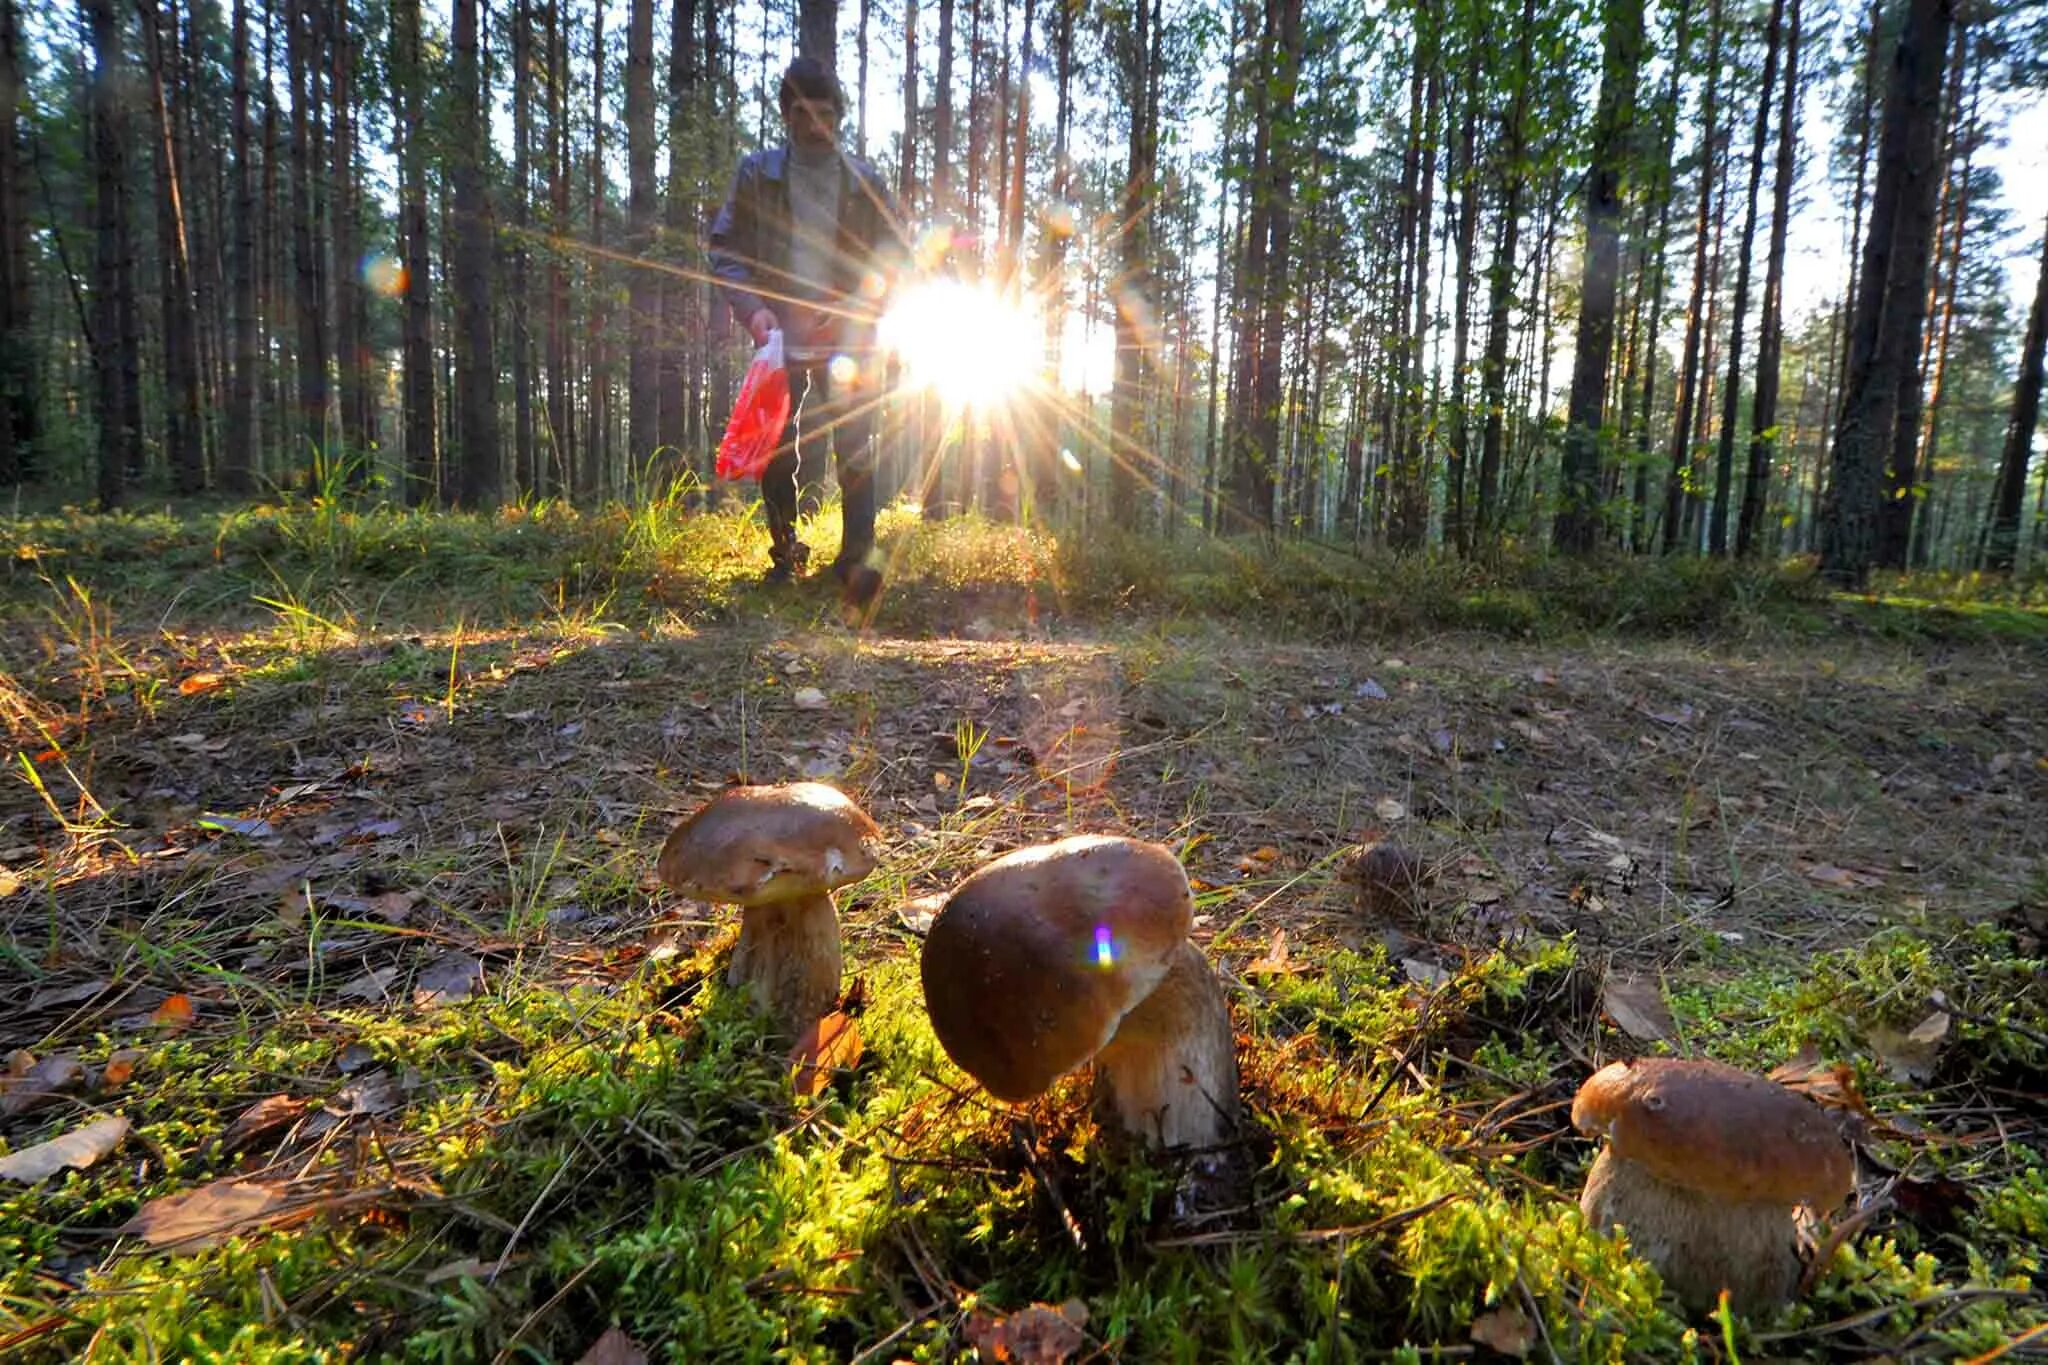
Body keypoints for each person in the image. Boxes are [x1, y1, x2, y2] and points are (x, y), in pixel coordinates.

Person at [708, 57, 900, 604]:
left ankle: (857, 563)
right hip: (779, 338)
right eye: (800, 111)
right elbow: (725, 249)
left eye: (823, 112)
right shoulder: (757, 173)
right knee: (776, 447)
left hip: (850, 337)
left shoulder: (867, 182)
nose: (812, 122)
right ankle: (785, 551)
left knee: (856, 446)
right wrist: (754, 311)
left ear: (839, 116)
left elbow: (896, 258)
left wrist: (858, 306)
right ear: (785, 115)